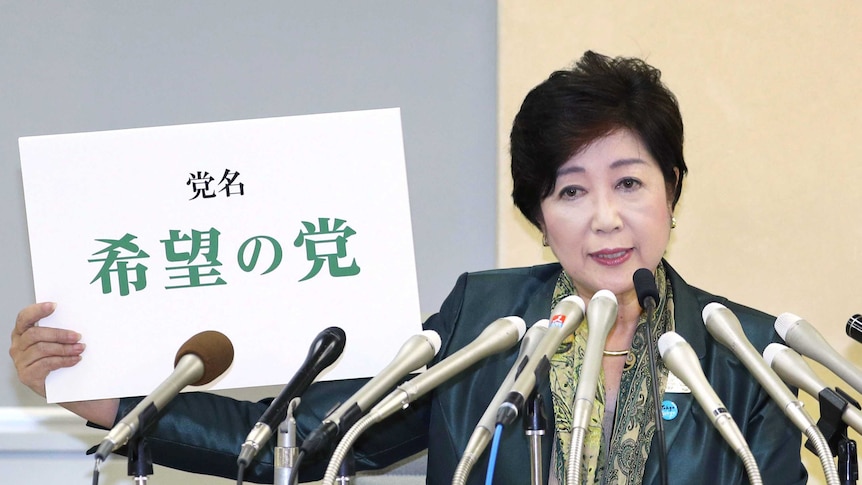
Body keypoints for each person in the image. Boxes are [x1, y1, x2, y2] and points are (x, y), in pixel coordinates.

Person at [10, 51, 806, 484]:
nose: (604, 216)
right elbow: (310, 436)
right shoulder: (483, 324)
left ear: (672, 191)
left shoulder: (743, 351)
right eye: (571, 189)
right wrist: (112, 397)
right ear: (539, 217)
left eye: (629, 182)